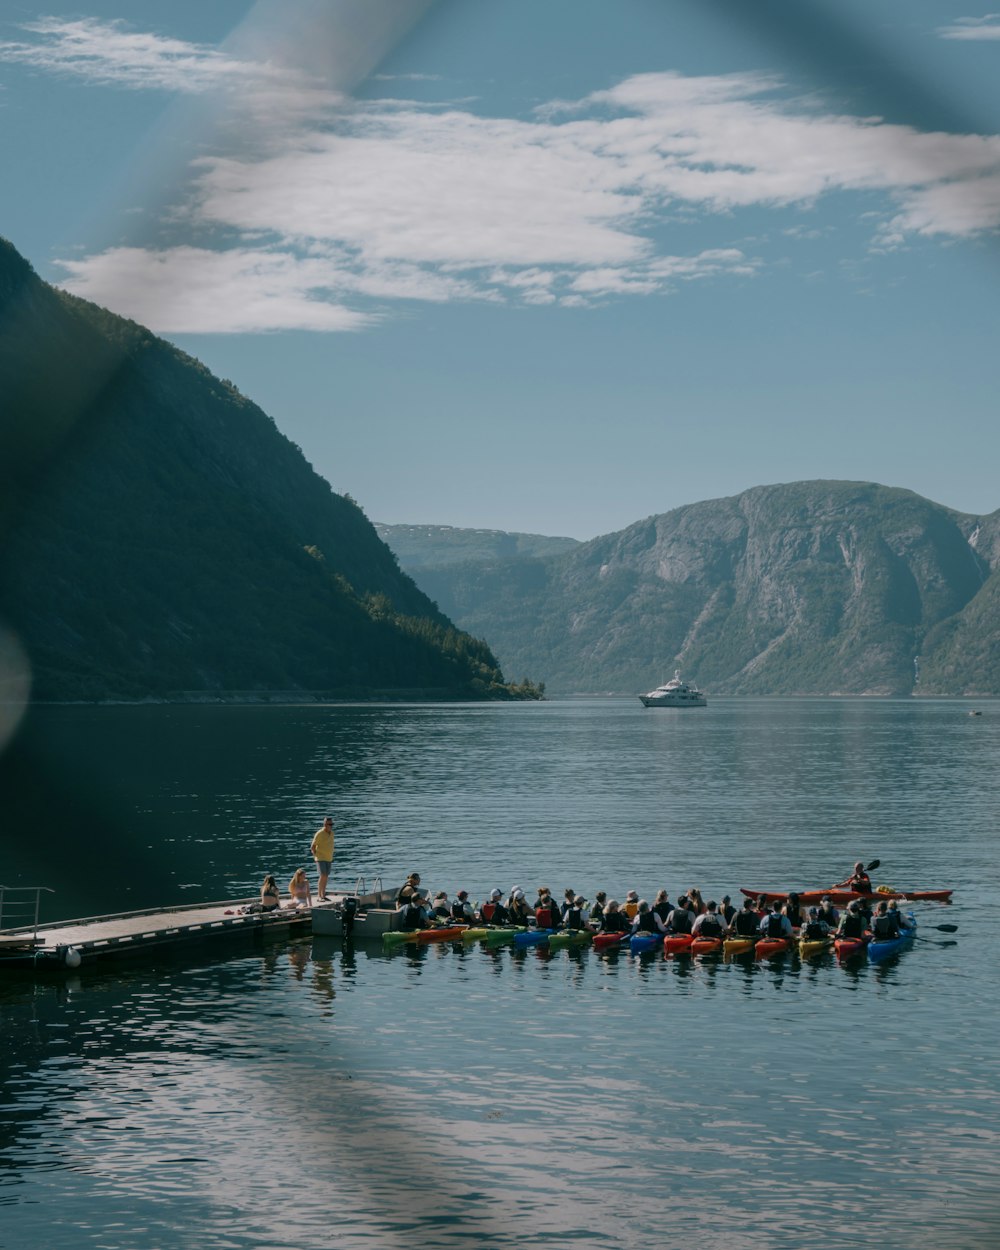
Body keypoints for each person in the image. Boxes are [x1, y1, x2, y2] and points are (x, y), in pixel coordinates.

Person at [309, 816, 335, 902]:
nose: (331, 826)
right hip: (320, 858)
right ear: (325, 824)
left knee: (326, 876)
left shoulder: (332, 833)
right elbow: (312, 846)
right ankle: (319, 895)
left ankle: (323, 895)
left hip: (329, 858)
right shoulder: (319, 833)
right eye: (329, 824)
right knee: (322, 875)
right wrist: (315, 856)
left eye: (332, 824)